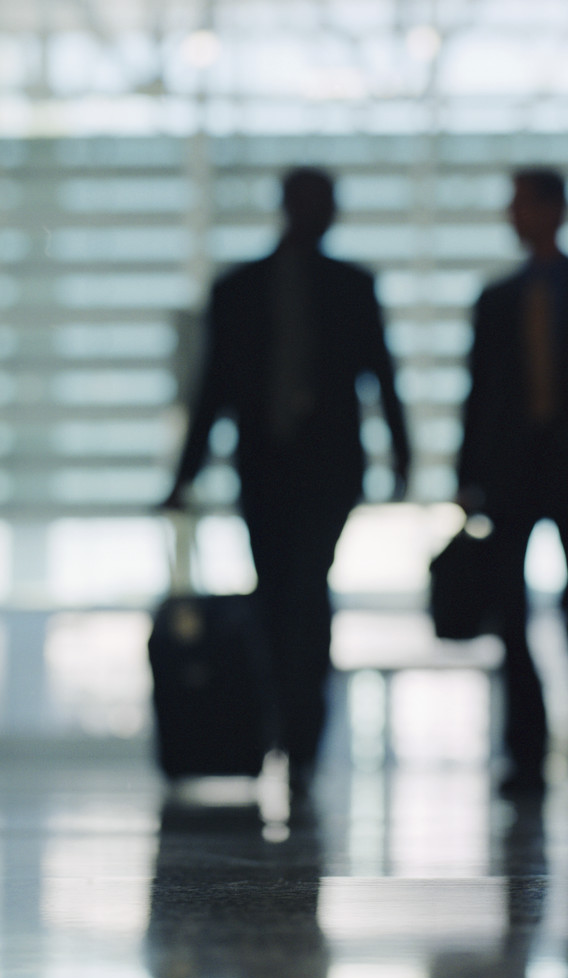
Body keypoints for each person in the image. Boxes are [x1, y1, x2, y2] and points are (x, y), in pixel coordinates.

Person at [163, 166, 411, 798]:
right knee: (275, 596)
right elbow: (212, 387)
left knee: (306, 590)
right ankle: (278, 726)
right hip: (266, 466)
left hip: (328, 470)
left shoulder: (352, 287)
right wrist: (184, 475)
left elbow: (381, 376)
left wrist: (403, 458)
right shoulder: (239, 290)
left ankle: (301, 735)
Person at [456, 167, 568, 797]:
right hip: (512, 469)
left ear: (554, 211)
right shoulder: (496, 300)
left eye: (521, 205)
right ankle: (526, 749)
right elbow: (477, 393)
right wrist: (467, 475)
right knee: (510, 611)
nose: (512, 217)